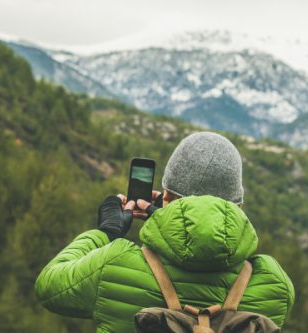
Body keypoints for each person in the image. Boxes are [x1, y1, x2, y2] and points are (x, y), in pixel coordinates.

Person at [35, 132, 294, 333]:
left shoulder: (114, 263)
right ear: (238, 206)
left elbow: (49, 287)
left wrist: (106, 232)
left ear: (167, 196)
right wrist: (175, 218)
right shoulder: (274, 284)